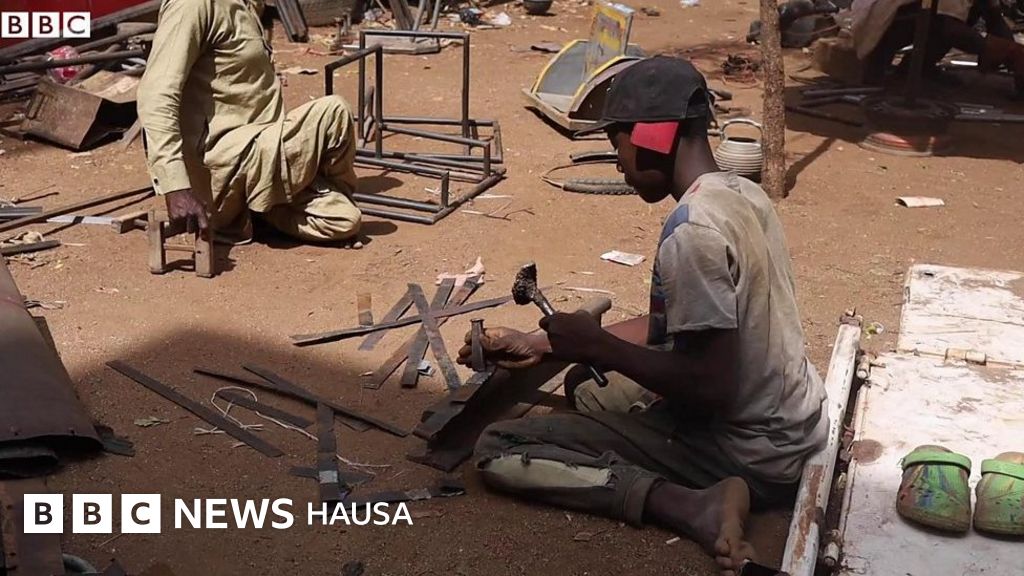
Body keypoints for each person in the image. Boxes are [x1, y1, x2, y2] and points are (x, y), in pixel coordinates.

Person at [460, 56, 828, 576]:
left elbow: (709, 387)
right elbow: (671, 329)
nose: (618, 164)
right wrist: (541, 343)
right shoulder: (741, 193)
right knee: (588, 386)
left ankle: (692, 505)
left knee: (499, 447)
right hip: (797, 423)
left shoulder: (693, 232)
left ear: (653, 136)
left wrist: (598, 346)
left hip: (753, 454)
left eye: (618, 146)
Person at [137, 0, 363, 245]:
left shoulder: (246, 4)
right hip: (226, 165)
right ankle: (248, 206)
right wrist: (175, 186)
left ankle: (259, 208)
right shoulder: (192, 5)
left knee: (344, 220)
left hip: (259, 149)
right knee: (334, 112)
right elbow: (156, 95)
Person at [852, 0, 1024, 95]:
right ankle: (877, 66)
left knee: (973, 10)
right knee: (944, 22)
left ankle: (917, 67)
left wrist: (1013, 53)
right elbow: (950, 27)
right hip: (883, 17)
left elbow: (994, 16)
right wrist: (999, 50)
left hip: (934, 14)